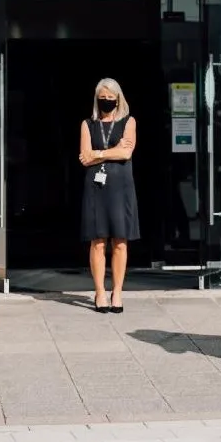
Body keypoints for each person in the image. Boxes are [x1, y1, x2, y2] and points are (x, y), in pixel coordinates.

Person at [78, 78, 138, 314]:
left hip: (122, 188)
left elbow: (126, 153)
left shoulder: (128, 122)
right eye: (102, 98)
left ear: (118, 98)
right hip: (96, 188)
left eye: (110, 98)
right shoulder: (87, 124)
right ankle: (100, 292)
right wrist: (112, 151)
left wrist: (99, 153)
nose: (106, 101)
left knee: (120, 241)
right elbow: (84, 156)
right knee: (98, 241)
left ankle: (118, 292)